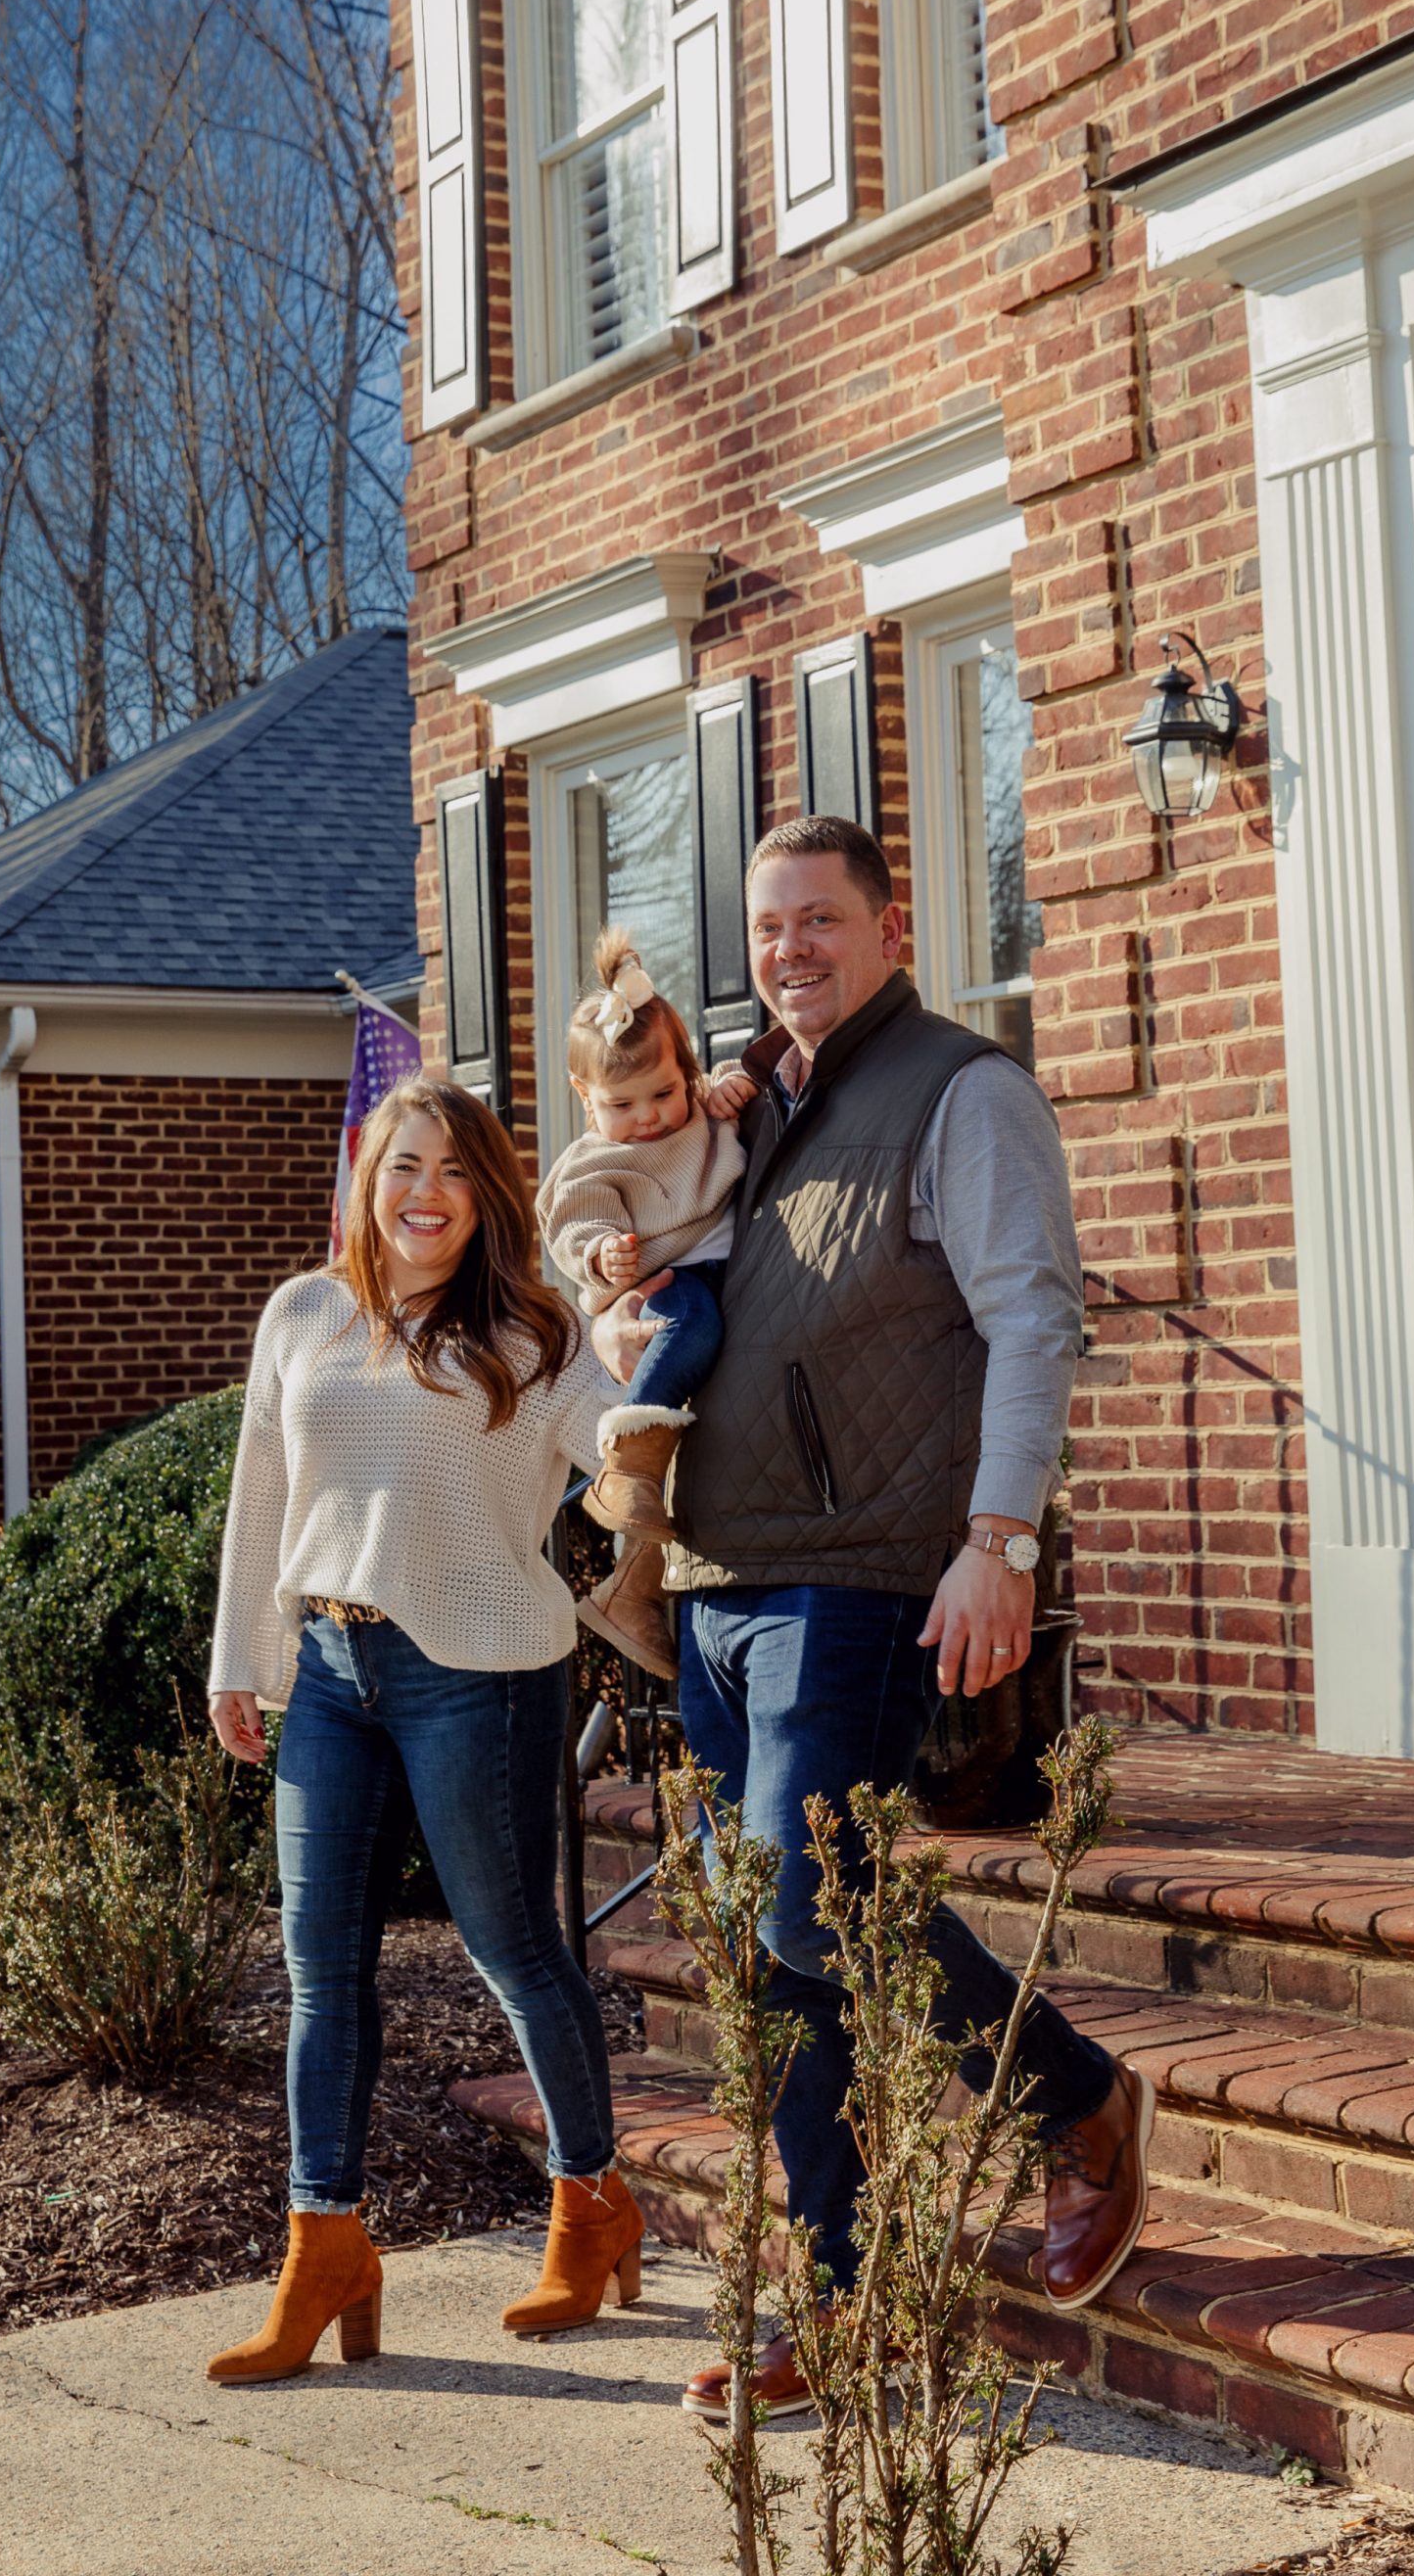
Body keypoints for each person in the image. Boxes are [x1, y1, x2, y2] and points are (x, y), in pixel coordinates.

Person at [590, 817, 1154, 2424]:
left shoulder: (962, 1090)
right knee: (781, 1966)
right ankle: (837, 2306)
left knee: (797, 1909)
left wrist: (1001, 1536)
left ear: (888, 925)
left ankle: (1075, 2096)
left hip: (862, 1568)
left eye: (820, 920)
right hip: (715, 1578)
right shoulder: (752, 1107)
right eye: (769, 927)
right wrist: (633, 1270)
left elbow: (1031, 1310)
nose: (789, 950)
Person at [205, 1075, 644, 2382]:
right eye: (403, 1167)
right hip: (333, 1671)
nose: (425, 1194)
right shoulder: (305, 1314)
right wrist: (247, 1657)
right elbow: (260, 1490)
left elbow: (625, 1456)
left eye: (453, 1172)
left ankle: (590, 2200)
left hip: (486, 1671)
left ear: (487, 1195)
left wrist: (639, 1354)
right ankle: (324, 2241)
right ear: (366, 1178)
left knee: (513, 1949)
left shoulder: (535, 1335)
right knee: (320, 1971)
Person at [536, 925, 757, 1680]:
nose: (651, 1117)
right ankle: (626, 1465)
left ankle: (629, 1588)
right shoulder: (597, 1160)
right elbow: (576, 1225)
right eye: (622, 1104)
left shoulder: (702, 1111)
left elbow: (729, 1100)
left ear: (684, 1066)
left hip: (739, 1279)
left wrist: (723, 1090)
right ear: (584, 1099)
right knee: (693, 1321)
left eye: (663, 1091)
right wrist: (604, 1253)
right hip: (665, 1292)